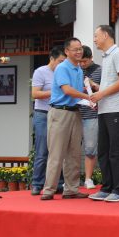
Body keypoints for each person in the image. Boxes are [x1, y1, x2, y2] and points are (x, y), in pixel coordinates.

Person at [40, 37, 91, 201]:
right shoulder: (62, 67)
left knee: (74, 154)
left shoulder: (79, 69)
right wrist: (88, 97)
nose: (79, 52)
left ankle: (71, 189)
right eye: (75, 49)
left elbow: (77, 90)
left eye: (80, 48)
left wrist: (91, 92)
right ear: (67, 51)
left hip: (75, 112)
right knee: (56, 153)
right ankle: (49, 190)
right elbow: (67, 90)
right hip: (60, 112)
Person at [88, 25, 119, 203]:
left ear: (106, 35)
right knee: (104, 151)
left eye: (96, 36)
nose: (94, 39)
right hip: (105, 108)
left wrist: (101, 94)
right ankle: (107, 187)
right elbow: (110, 85)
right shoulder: (106, 57)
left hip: (118, 109)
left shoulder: (118, 53)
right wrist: (97, 95)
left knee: (116, 150)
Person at [30, 46, 65, 196]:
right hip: (43, 114)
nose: (62, 64)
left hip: (59, 113)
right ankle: (37, 184)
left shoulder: (63, 72)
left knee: (58, 151)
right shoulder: (40, 72)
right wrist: (55, 92)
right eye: (60, 61)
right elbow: (35, 94)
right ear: (52, 59)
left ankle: (58, 183)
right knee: (42, 150)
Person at [80, 46, 101, 190]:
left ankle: (88, 178)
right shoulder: (76, 70)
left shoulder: (100, 70)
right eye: (80, 61)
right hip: (75, 112)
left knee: (90, 148)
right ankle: (71, 179)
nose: (82, 64)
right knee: (72, 149)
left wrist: (92, 84)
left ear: (91, 57)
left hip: (92, 114)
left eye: (85, 61)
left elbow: (105, 90)